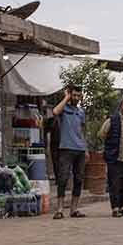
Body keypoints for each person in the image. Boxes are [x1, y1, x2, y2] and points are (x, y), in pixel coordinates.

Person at [51, 84, 87, 219]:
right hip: (66, 148)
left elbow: (81, 132)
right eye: (74, 95)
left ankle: (74, 209)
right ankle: (59, 209)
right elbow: (55, 111)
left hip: (80, 150)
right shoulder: (63, 109)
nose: (76, 98)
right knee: (63, 178)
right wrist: (66, 97)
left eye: (79, 95)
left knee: (79, 179)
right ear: (70, 94)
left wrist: (86, 149)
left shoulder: (81, 112)